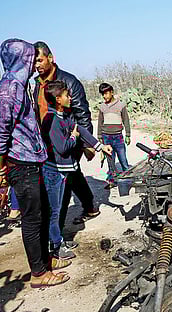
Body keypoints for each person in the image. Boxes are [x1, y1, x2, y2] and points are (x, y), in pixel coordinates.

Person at [0, 38, 70, 288]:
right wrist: (1, 173)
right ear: (20, 59)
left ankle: (46, 260)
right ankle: (38, 273)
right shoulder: (8, 90)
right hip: (21, 162)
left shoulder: (21, 85)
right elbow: (1, 133)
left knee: (42, 214)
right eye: (30, 57)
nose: (33, 62)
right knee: (32, 218)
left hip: (33, 160)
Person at [41, 80, 113, 260]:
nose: (70, 98)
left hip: (65, 171)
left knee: (61, 207)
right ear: (58, 99)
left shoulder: (63, 116)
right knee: (54, 210)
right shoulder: (51, 120)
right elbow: (63, 147)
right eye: (66, 95)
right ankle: (55, 247)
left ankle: (60, 240)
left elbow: (80, 129)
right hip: (54, 172)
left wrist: (100, 147)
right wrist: (74, 138)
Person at [33, 41, 99, 235]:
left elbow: (82, 114)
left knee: (62, 184)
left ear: (51, 58)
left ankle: (58, 236)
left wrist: (88, 145)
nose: (37, 65)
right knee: (73, 175)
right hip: (47, 143)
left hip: (68, 142)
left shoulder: (69, 82)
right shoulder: (37, 84)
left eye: (39, 60)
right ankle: (90, 207)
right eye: (34, 62)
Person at [97, 83, 131, 189]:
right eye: (103, 94)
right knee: (110, 161)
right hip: (106, 137)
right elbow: (100, 122)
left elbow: (126, 120)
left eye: (106, 93)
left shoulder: (121, 105)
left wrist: (128, 135)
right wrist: (99, 136)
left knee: (123, 160)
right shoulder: (102, 107)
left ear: (112, 92)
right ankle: (112, 181)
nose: (105, 96)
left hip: (118, 137)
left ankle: (129, 180)